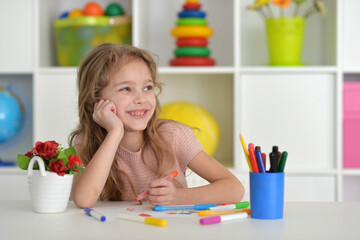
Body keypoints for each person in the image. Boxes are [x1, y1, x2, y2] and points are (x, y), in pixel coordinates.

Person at [69, 43, 244, 208]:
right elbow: (84, 199)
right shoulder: (85, 141)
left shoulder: (173, 135)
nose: (141, 99)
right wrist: (114, 133)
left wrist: (178, 197)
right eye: (126, 89)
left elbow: (234, 188)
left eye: (147, 87)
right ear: (95, 99)